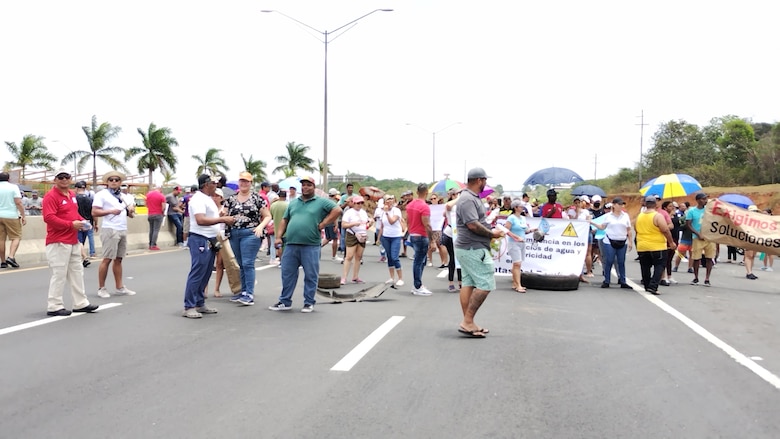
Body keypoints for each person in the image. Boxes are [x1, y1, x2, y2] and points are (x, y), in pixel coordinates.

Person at [269, 175, 341, 313]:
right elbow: (285, 220)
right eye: (303, 185)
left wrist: (324, 224)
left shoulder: (321, 202)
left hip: (311, 245)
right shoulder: (294, 203)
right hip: (291, 244)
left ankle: (309, 302)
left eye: (309, 185)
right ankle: (285, 301)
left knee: (310, 275)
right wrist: (278, 237)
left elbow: (337, 210)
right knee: (287, 273)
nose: (305, 187)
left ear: (314, 187)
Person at [455, 168, 504, 338]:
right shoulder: (468, 199)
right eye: (484, 180)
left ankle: (469, 322)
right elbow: (473, 225)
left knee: (468, 283)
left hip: (468, 247)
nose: (485, 184)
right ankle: (467, 321)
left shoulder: (471, 197)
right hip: (473, 248)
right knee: (485, 283)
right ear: (479, 180)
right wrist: (492, 234)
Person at [42, 169, 99, 316]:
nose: (64, 180)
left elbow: (74, 214)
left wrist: (82, 221)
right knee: (59, 274)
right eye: (60, 177)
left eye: (66, 177)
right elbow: (48, 218)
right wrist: (70, 225)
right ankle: (54, 305)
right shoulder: (51, 196)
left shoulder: (72, 195)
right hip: (58, 241)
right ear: (55, 179)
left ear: (70, 179)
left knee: (77, 272)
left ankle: (80, 303)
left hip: (73, 239)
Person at [181, 174, 235, 318]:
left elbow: (209, 217)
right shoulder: (198, 199)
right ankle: (189, 306)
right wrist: (222, 218)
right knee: (198, 272)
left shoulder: (207, 199)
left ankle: (200, 302)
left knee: (205, 273)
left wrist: (219, 215)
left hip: (210, 238)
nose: (216, 185)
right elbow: (200, 220)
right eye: (214, 183)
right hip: (200, 238)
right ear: (206, 184)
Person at [225, 171, 271, 306]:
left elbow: (267, 215)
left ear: (251, 183)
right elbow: (224, 214)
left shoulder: (257, 198)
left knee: (248, 263)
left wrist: (260, 227)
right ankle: (243, 291)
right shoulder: (231, 199)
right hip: (234, 233)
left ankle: (249, 293)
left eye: (246, 181)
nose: (243, 183)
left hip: (250, 234)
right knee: (240, 264)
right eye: (241, 181)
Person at [91, 171, 136, 298]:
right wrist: (110, 211)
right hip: (110, 229)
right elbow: (94, 212)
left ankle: (120, 287)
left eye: (117, 180)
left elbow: (131, 214)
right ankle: (102, 288)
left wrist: (131, 211)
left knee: (119, 259)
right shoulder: (101, 195)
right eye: (111, 180)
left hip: (122, 228)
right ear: (107, 182)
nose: (114, 181)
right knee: (107, 259)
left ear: (120, 182)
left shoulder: (124, 196)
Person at [636, 196, 676, 295]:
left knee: (645, 267)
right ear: (656, 204)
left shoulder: (639, 216)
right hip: (657, 246)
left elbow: (636, 228)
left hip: (642, 246)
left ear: (645, 204)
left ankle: (647, 285)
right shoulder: (657, 216)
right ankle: (653, 286)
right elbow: (665, 230)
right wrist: (671, 242)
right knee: (660, 266)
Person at [590, 197, 633, 289]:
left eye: (622, 204)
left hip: (622, 240)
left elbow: (628, 229)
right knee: (609, 260)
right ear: (614, 205)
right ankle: (607, 280)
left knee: (621, 261)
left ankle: (622, 280)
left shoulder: (625, 216)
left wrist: (630, 241)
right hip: (610, 241)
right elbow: (602, 227)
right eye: (619, 204)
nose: (621, 206)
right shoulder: (608, 216)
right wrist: (592, 223)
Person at [504, 199, 538, 293]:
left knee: (517, 263)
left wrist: (532, 230)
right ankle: (518, 285)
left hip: (522, 242)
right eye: (520, 206)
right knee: (517, 263)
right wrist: (515, 237)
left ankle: (515, 283)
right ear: (515, 208)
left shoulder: (522, 218)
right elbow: (506, 230)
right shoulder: (511, 218)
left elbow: (525, 230)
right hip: (514, 243)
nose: (522, 208)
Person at [406, 183, 433, 296]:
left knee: (421, 260)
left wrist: (409, 232)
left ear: (417, 192)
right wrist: (433, 240)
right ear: (426, 192)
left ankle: (418, 284)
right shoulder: (424, 207)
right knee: (419, 261)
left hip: (413, 234)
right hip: (421, 235)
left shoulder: (410, 205)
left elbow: (407, 220)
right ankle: (417, 285)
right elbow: (427, 224)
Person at [341, 195, 372, 284]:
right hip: (352, 234)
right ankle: (344, 277)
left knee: (358, 256)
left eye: (361, 203)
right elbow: (343, 225)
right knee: (349, 256)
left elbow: (365, 225)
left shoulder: (363, 212)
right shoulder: (349, 212)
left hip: (362, 234)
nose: (360, 205)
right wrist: (353, 223)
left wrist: (369, 224)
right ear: (353, 203)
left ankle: (355, 276)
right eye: (358, 203)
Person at [685, 193, 715, 286]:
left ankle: (707, 278)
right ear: (698, 200)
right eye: (703, 199)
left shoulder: (709, 210)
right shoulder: (692, 211)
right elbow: (688, 224)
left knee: (709, 258)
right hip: (697, 238)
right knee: (696, 258)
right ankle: (696, 277)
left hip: (709, 237)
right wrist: (697, 234)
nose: (705, 201)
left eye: (706, 199)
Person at [0, 171, 25, 269]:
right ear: (9, 179)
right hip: (11, 216)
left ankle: (3, 262)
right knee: (16, 237)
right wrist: (23, 215)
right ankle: (11, 256)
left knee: (1, 239)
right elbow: (18, 202)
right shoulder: (13, 187)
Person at [379, 194, 405, 287]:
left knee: (394, 257)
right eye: (387, 200)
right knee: (389, 256)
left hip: (396, 236)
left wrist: (387, 213)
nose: (389, 201)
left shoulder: (396, 210)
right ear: (384, 202)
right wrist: (379, 238)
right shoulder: (382, 212)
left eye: (391, 199)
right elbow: (382, 225)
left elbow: (392, 221)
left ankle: (400, 278)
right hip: (386, 236)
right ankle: (392, 277)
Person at [208, 188, 227, 297]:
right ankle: (204, 289)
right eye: (213, 196)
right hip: (210, 236)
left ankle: (216, 288)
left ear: (221, 198)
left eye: (217, 196)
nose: (214, 198)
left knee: (220, 263)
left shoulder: (225, 209)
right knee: (207, 263)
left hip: (222, 236)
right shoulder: (209, 209)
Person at [442, 190, 462, 292]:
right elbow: (447, 208)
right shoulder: (450, 204)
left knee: (461, 259)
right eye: (453, 194)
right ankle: (451, 282)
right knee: (453, 258)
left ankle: (460, 282)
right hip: (450, 234)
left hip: (460, 234)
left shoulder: (461, 205)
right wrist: (457, 198)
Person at [75, 182, 95, 267]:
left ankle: (84, 257)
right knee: (83, 240)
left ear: (76, 188)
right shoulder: (89, 199)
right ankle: (88, 255)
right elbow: (93, 212)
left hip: (78, 222)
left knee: (79, 241)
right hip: (87, 222)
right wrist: (95, 223)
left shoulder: (74, 199)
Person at [426, 193, 448, 268]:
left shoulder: (442, 206)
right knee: (430, 246)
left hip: (438, 227)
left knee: (440, 245)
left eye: (434, 198)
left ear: (438, 199)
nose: (433, 200)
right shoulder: (429, 207)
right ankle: (430, 261)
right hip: (430, 228)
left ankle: (444, 261)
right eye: (431, 199)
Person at [322, 189, 341, 261]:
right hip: (332, 222)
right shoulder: (333, 203)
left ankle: (318, 246)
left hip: (326, 221)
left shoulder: (325, 202)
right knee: (335, 239)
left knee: (328, 238)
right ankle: (334, 255)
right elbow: (335, 215)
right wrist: (336, 225)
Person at [271, 189, 289, 265]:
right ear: (285, 196)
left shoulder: (273, 205)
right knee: (286, 246)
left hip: (276, 229)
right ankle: (286, 261)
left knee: (279, 246)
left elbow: (270, 216)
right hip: (286, 230)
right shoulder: (288, 205)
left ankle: (281, 261)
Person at [145, 185, 166, 250]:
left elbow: (146, 204)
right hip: (158, 214)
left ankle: (150, 244)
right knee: (156, 230)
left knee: (151, 230)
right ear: (160, 189)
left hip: (150, 214)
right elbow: (163, 207)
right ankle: (153, 245)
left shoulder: (148, 194)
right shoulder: (161, 196)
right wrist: (163, 213)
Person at [744, 205, 762, 280]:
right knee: (749, 255)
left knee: (753, 255)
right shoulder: (745, 220)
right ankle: (749, 272)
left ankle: (750, 271)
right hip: (748, 238)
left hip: (756, 238)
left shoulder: (758, 220)